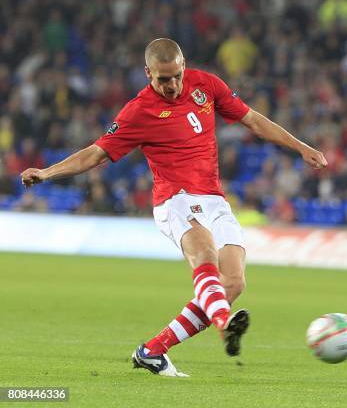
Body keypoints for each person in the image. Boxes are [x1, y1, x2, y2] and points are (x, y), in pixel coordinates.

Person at [21, 38, 328, 377]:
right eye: (162, 79)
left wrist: (301, 147)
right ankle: (224, 323)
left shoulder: (207, 85)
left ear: (184, 66)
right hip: (175, 199)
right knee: (206, 259)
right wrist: (48, 172)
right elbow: (96, 153)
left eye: (175, 76)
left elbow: (253, 120)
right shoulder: (138, 111)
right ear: (147, 73)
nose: (170, 86)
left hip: (213, 198)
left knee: (234, 283)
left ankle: (152, 350)